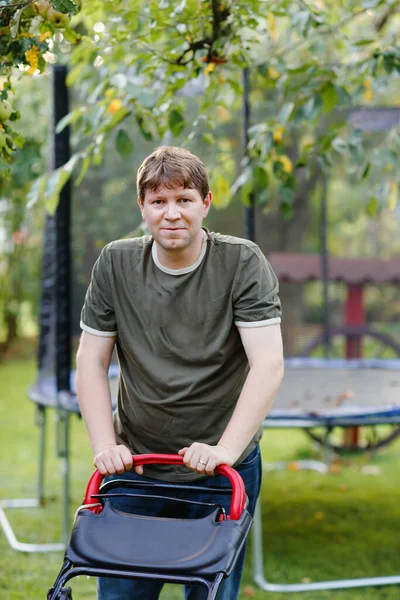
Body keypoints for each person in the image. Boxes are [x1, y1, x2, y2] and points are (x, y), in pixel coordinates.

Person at [76, 145, 284, 600]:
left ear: (206, 204)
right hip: (136, 465)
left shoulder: (241, 262)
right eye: (159, 201)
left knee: (209, 594)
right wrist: (104, 446)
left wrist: (226, 450)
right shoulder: (115, 263)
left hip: (221, 470)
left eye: (184, 199)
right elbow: (91, 361)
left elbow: (268, 364)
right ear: (142, 208)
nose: (172, 214)